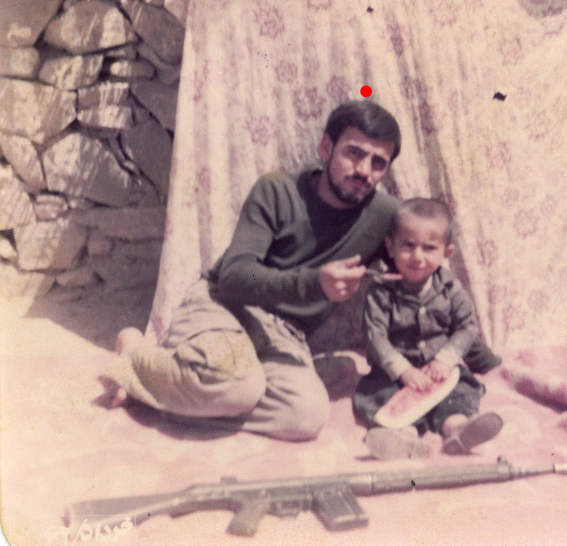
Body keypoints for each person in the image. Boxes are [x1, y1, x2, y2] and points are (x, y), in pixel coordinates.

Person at [103, 100, 403, 441]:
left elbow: (418, 263)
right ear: (326, 148)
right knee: (239, 386)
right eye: (354, 153)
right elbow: (237, 274)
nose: (364, 170)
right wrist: (314, 283)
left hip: (286, 335)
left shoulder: (384, 215)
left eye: (378, 163)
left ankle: (180, 390)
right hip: (226, 306)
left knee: (305, 416)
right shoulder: (277, 190)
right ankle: (136, 355)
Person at [353, 198, 503, 460]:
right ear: (390, 246)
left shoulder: (451, 288)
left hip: (440, 372)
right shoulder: (381, 291)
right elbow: (375, 336)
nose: (417, 257)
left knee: (460, 392)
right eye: (408, 246)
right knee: (380, 395)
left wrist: (446, 359)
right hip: (393, 374)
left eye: (429, 248)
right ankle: (404, 436)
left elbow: (467, 326)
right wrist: (403, 371)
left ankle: (458, 429)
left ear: (447, 252)